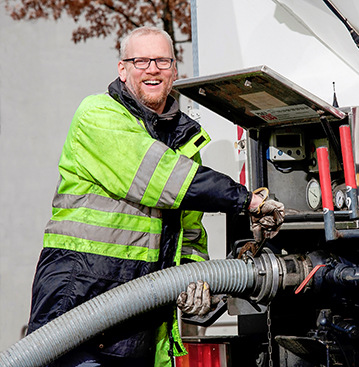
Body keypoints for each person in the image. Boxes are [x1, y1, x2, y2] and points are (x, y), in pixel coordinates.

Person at [26, 26, 284, 366]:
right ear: (123, 69)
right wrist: (247, 201)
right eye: (141, 60)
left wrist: (198, 283)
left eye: (162, 60)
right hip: (80, 302)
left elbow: (189, 233)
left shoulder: (184, 144)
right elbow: (160, 177)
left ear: (174, 70)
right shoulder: (98, 115)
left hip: (140, 320)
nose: (152, 69)